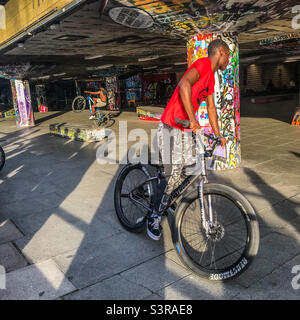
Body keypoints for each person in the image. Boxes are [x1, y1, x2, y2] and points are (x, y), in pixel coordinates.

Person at [147, 39, 229, 241]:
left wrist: (218, 135)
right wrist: (193, 120)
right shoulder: (202, 64)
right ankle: (154, 217)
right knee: (172, 173)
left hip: (184, 128)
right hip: (171, 124)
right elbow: (184, 84)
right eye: (227, 54)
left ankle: (166, 194)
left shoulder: (211, 78)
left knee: (190, 167)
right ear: (220, 52)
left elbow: (211, 108)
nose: (228, 59)